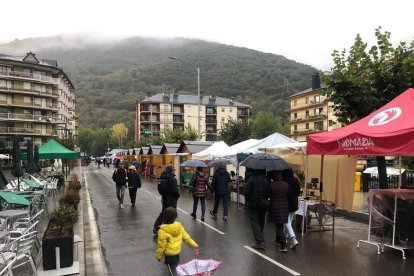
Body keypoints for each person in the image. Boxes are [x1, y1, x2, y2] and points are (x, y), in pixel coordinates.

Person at [156, 207, 198, 276]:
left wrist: (159, 256)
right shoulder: (179, 226)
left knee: (173, 272)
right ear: (175, 217)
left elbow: (161, 246)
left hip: (169, 256)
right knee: (175, 268)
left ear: (164, 217)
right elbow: (186, 238)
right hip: (177, 253)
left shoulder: (162, 231)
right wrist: (194, 245)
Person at [244, 169, 270, 250]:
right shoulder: (267, 179)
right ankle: (260, 237)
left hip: (253, 203)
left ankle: (260, 242)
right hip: (264, 203)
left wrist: (248, 200)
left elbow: (246, 191)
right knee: (261, 221)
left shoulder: (252, 178)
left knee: (255, 222)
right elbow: (269, 192)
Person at [153, 166, 180, 234]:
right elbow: (175, 190)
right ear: (171, 171)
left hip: (164, 198)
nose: (174, 171)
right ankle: (170, 229)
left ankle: (156, 227)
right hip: (172, 199)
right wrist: (178, 195)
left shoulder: (163, 178)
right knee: (172, 214)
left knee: (164, 213)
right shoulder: (172, 179)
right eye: (173, 170)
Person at [269, 171, 290, 252]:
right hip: (284, 207)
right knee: (280, 224)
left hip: (275, 206)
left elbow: (268, 194)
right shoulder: (286, 184)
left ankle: (283, 244)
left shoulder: (272, 185)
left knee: (278, 225)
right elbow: (288, 194)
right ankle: (278, 240)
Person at [283, 169, 300, 249]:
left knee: (285, 221)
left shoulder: (285, 181)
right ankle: (285, 239)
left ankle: (293, 239)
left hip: (286, 203)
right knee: (289, 220)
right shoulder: (296, 180)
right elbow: (298, 191)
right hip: (295, 202)